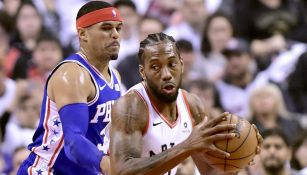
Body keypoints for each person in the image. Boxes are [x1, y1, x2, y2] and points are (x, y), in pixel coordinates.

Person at [109, 32, 262, 175]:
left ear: (181, 65)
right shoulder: (131, 107)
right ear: (143, 72)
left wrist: (238, 159)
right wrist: (187, 146)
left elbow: (209, 172)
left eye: (172, 64)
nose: (166, 74)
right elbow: (122, 171)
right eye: (155, 67)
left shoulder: (192, 105)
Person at [17, 1, 123, 175]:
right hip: (48, 170)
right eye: (106, 28)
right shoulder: (73, 74)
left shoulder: (115, 76)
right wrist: (107, 165)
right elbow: (73, 141)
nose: (115, 35)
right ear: (83, 34)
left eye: (118, 28)